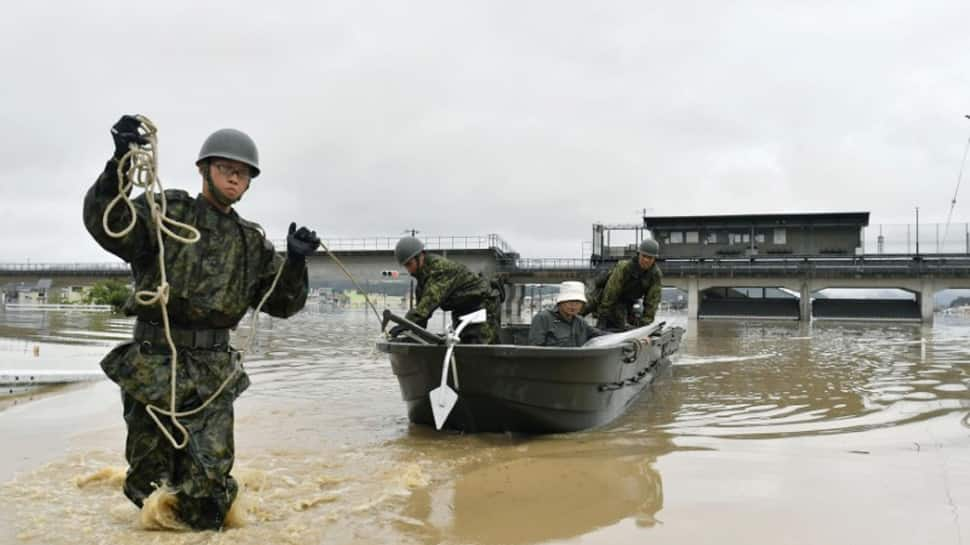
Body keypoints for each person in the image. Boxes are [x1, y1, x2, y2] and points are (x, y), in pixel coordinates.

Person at [83, 115, 320, 530]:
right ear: (204, 170)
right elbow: (111, 225)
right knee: (149, 486)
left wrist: (296, 261)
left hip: (212, 374)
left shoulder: (251, 242)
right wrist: (120, 160)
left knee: (209, 494)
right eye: (226, 169)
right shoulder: (167, 211)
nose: (234, 178)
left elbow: (284, 303)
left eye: (243, 174)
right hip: (153, 366)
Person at [389, 236, 500, 344]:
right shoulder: (422, 279)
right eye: (405, 266)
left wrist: (406, 323)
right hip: (462, 309)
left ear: (420, 256)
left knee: (481, 348)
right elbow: (421, 315)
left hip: (483, 305)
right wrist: (410, 330)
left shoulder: (439, 270)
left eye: (409, 264)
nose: (408, 270)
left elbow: (427, 305)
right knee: (461, 344)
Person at [586, 238, 663, 331]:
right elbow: (611, 291)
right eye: (644, 256)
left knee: (621, 324)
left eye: (650, 258)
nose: (646, 260)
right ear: (639, 255)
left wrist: (645, 325)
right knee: (583, 307)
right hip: (601, 295)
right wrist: (603, 316)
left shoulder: (655, 275)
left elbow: (653, 301)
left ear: (654, 259)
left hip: (625, 303)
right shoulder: (624, 267)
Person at [528, 281, 604, 347]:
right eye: (570, 302)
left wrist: (615, 336)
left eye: (577, 303)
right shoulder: (543, 318)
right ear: (560, 302)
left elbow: (600, 334)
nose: (573, 306)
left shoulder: (580, 322)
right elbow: (535, 349)